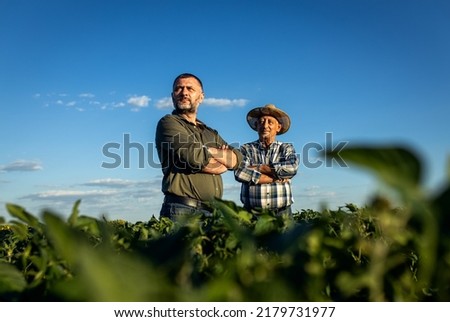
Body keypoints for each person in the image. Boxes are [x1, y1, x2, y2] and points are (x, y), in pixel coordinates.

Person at [155, 73, 242, 219]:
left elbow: (237, 159)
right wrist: (221, 160)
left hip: (212, 213)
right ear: (172, 96)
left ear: (201, 97)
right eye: (178, 89)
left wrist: (208, 151)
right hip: (181, 210)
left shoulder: (209, 132)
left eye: (190, 88)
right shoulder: (168, 123)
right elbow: (195, 157)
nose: (184, 93)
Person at [234, 104, 299, 216]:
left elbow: (292, 168)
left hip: (282, 213)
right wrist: (276, 178)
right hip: (253, 213)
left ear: (278, 127)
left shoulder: (286, 148)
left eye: (270, 122)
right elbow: (240, 173)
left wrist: (259, 168)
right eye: (261, 122)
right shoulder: (246, 148)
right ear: (256, 126)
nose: (265, 126)